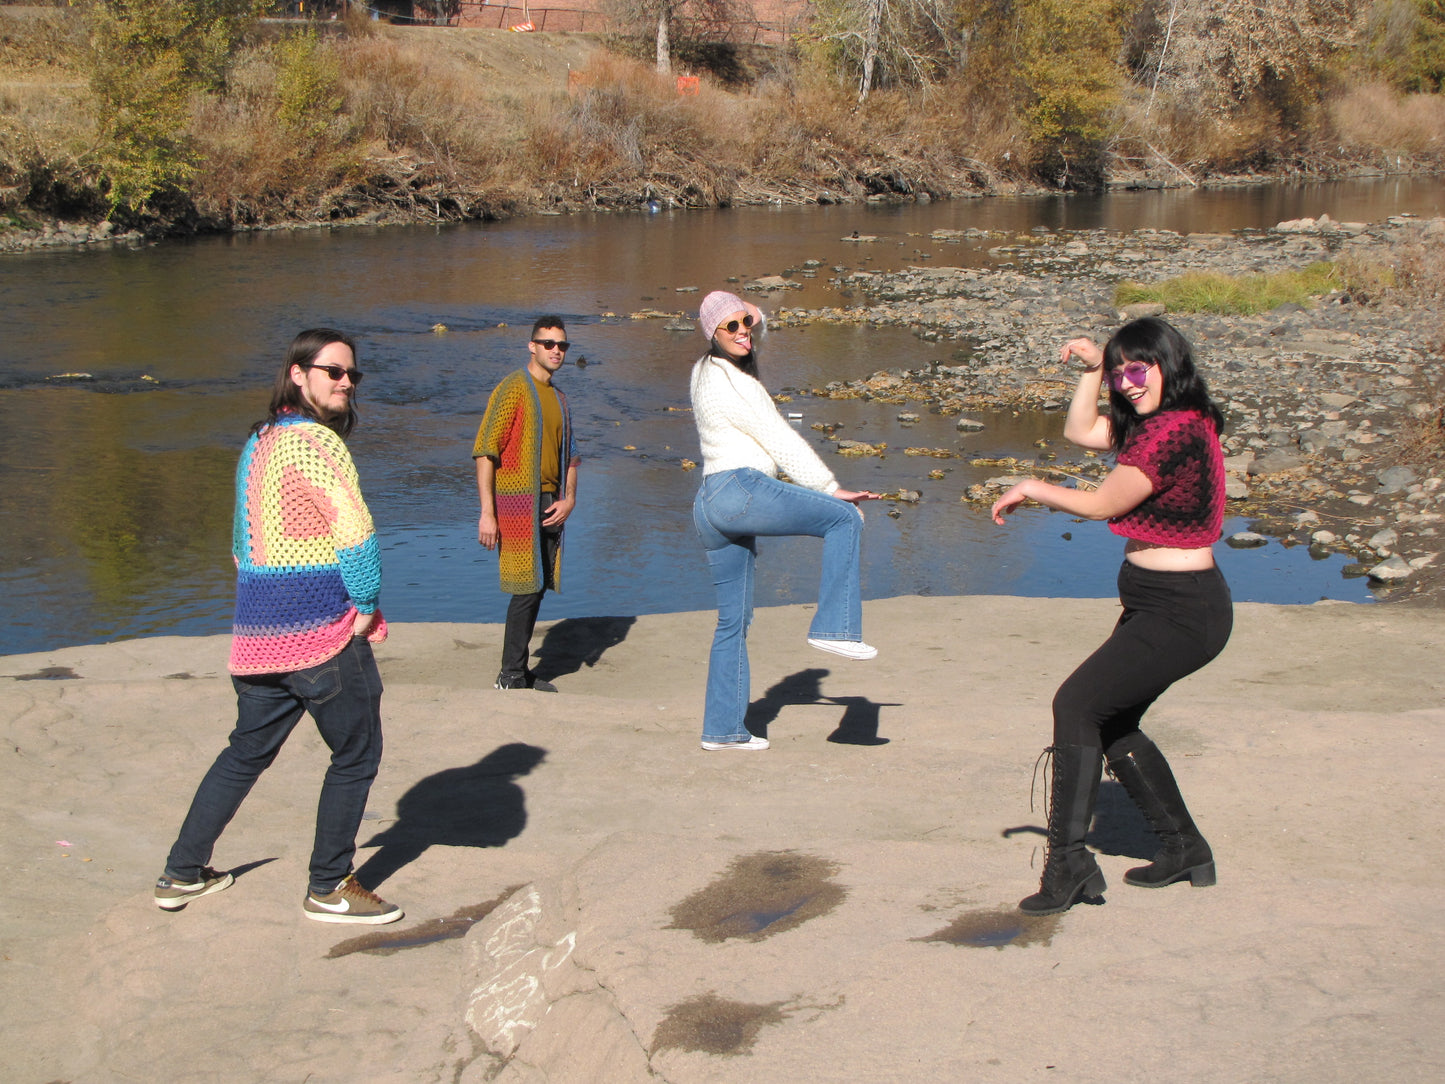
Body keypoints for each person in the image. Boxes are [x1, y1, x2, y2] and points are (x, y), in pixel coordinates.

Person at [154, 329, 401, 925]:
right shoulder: (316, 442)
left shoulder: (258, 442)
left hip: (260, 638)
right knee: (357, 752)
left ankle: (182, 874)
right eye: (332, 371)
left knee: (246, 752)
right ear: (297, 373)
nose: (345, 382)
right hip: (321, 635)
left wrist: (266, 611)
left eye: (351, 375)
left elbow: (240, 545)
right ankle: (329, 886)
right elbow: (356, 532)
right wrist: (364, 606)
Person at [990, 317, 1232, 915]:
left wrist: (1033, 487)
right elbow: (1080, 430)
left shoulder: (1172, 431)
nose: (1127, 383)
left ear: (1168, 364)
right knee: (1112, 720)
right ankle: (1184, 849)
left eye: (1137, 368)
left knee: (1076, 705)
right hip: (1161, 605)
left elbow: (1101, 504)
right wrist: (1093, 371)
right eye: (1120, 371)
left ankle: (1068, 864)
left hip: (1183, 611)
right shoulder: (1162, 422)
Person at [689, 290, 880, 752]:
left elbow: (751, 325)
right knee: (844, 518)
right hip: (739, 490)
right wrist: (829, 486)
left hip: (709, 503)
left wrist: (747, 316)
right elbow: (779, 438)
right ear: (712, 334)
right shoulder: (736, 383)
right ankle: (835, 628)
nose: (743, 332)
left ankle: (723, 731)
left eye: (746, 324)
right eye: (731, 327)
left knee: (732, 622)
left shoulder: (702, 371)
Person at [473, 315, 580, 692]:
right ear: (531, 346)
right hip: (517, 503)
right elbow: (485, 451)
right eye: (548, 344)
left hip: (551, 502)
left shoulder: (560, 398)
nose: (556, 351)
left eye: (562, 345)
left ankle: (519, 669)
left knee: (538, 586)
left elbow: (572, 456)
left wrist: (570, 500)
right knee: (525, 585)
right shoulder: (514, 389)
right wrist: (487, 513)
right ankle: (511, 675)